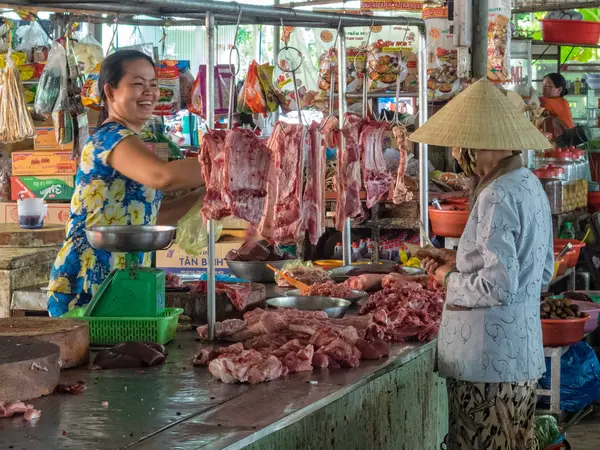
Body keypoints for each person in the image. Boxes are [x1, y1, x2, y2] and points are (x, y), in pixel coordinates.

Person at [410, 79, 554, 450]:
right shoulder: (528, 184)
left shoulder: (497, 194)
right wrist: (455, 260)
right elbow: (541, 270)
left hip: (487, 365)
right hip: (518, 357)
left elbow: (497, 286)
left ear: (478, 144)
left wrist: (446, 277)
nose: (462, 153)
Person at [47, 50, 204, 317]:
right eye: (137, 84)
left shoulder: (130, 140)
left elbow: (150, 216)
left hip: (121, 275)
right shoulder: (110, 138)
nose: (149, 93)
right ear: (110, 92)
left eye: (153, 84)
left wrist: (206, 193)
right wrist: (228, 165)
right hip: (90, 274)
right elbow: (163, 177)